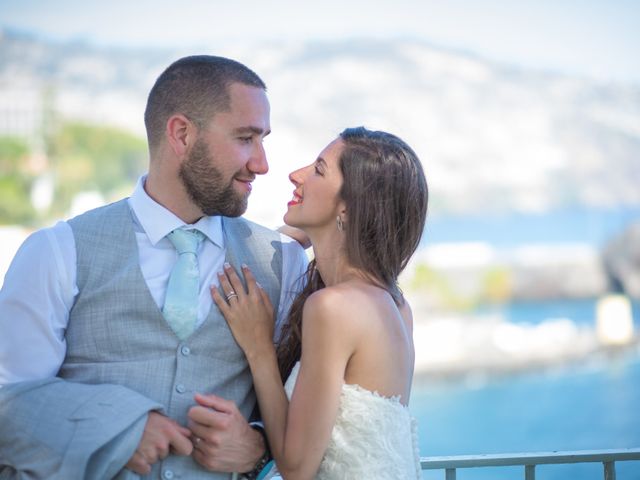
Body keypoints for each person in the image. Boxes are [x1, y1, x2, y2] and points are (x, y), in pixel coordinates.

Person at [0, 55, 308, 479]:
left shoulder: (283, 261)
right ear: (181, 134)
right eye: (245, 138)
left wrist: (257, 446)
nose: (262, 163)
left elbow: (308, 417)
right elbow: (9, 403)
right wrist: (115, 428)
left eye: (263, 140)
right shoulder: (56, 251)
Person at [210, 127, 428, 479]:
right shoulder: (395, 304)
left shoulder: (333, 308)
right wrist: (314, 232)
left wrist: (259, 348)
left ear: (349, 204)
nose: (296, 175)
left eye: (319, 169)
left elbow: (296, 467)